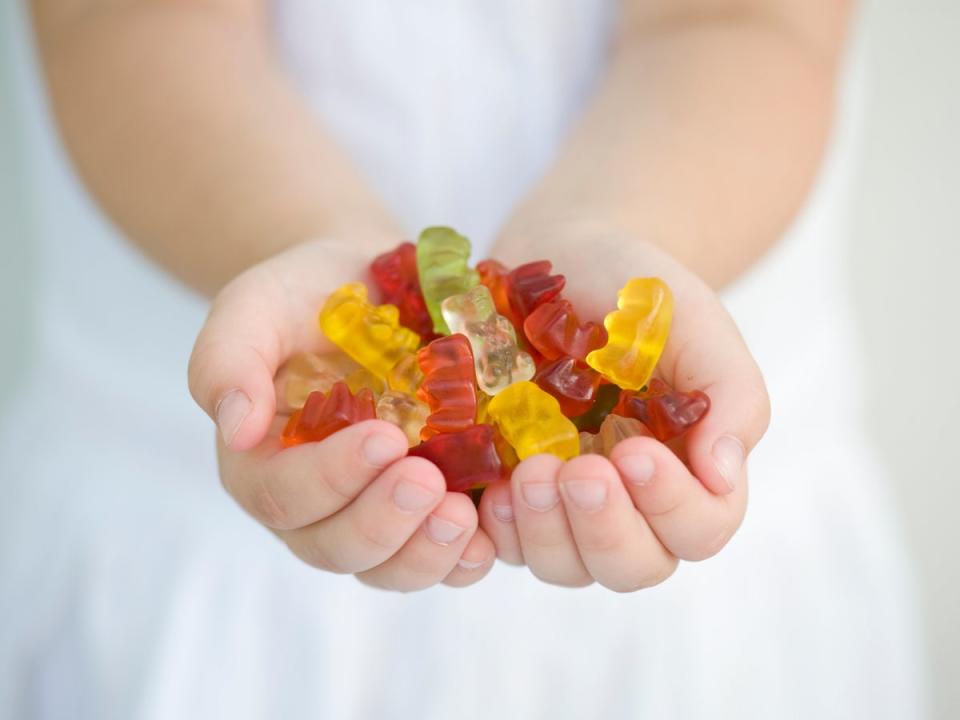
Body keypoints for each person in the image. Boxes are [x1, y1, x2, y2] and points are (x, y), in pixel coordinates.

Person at [0, 0, 926, 717]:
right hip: (181, 546)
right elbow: (120, 19)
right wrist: (307, 236)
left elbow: (744, 20)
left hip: (708, 609)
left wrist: (611, 232)